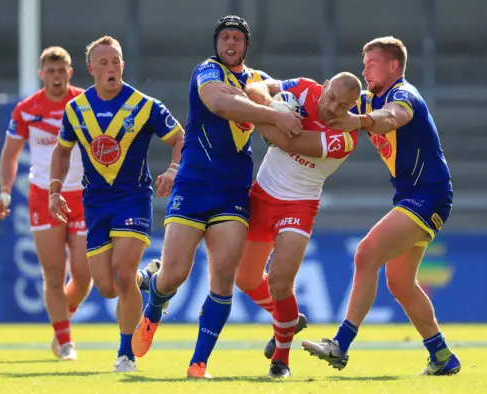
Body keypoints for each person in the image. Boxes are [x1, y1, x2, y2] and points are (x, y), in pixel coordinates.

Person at [131, 15, 302, 379]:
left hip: (233, 192)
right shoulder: (206, 72)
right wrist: (271, 113)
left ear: (245, 46)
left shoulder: (257, 81)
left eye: (237, 39)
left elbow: (295, 92)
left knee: (223, 276)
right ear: (216, 43)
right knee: (175, 274)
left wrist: (330, 100)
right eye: (224, 37)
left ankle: (198, 364)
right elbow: (220, 105)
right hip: (193, 184)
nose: (230, 43)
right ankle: (155, 305)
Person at [301, 36, 461, 376]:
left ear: (393, 66)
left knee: (365, 254)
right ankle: (443, 357)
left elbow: (392, 118)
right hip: (411, 195)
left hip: (428, 193)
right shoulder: (366, 99)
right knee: (400, 283)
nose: (364, 69)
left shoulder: (404, 94)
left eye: (371, 64)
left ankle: (340, 345)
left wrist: (358, 122)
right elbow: (330, 98)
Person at [49, 36, 184, 372]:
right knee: (108, 288)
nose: (111, 67)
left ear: (123, 65)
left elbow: (180, 138)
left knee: (122, 276)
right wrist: (54, 190)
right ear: (91, 69)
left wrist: (172, 169)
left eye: (116, 61)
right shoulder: (76, 109)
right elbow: (62, 150)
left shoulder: (145, 106)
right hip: (94, 203)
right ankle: (149, 281)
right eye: (104, 62)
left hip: (133, 199)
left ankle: (125, 354)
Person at [235, 72, 362, 377]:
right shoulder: (304, 88)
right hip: (262, 195)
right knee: (245, 279)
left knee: (279, 281)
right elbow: (255, 87)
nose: (332, 108)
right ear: (326, 85)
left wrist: (266, 121)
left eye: (343, 106)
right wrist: (271, 108)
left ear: (352, 108)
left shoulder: (345, 136)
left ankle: (281, 361)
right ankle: (288, 320)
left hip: (298, 206)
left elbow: (289, 141)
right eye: (331, 97)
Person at [0, 46, 91, 361]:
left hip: (81, 195)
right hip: (42, 195)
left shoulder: (84, 102)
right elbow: (10, 154)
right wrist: (5, 191)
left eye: (61, 71)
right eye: (50, 71)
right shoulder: (26, 109)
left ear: (70, 73)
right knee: (53, 272)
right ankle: (65, 342)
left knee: (83, 275)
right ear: (42, 74)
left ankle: (63, 318)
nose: (56, 77)